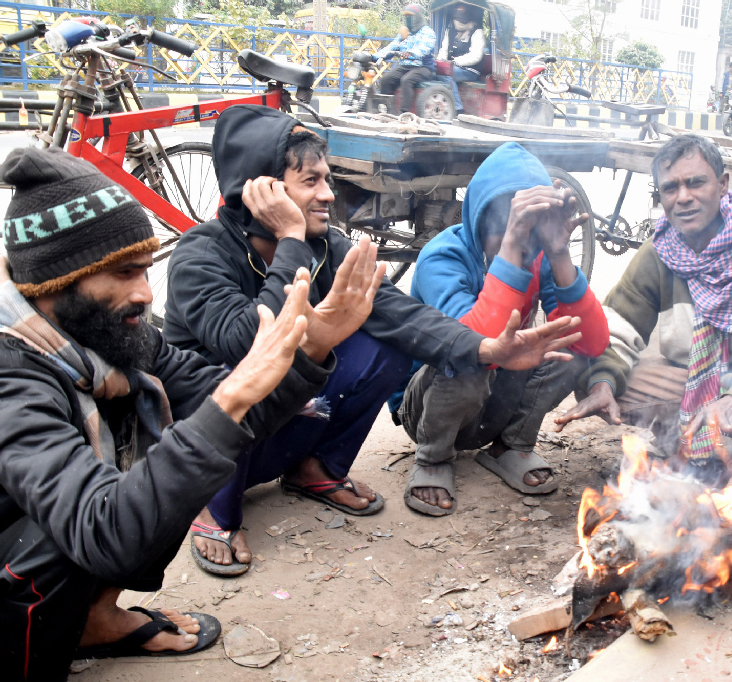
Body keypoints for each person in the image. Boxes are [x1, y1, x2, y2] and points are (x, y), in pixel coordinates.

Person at [0, 147, 367, 678]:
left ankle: (93, 619)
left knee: (179, 452)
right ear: (56, 281)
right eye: (124, 273)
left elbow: (227, 412)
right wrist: (233, 393)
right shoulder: (12, 374)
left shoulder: (110, 334)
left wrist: (309, 352)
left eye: (146, 270)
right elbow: (103, 531)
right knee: (74, 527)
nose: (146, 294)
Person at [164, 105, 582, 572]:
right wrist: (291, 240)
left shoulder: (328, 246)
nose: (328, 193)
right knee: (239, 372)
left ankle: (314, 467)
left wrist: (486, 348)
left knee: (384, 343)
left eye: (327, 178)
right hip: (205, 447)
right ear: (262, 192)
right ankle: (211, 506)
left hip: (279, 420)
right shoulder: (200, 254)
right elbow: (249, 344)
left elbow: (399, 313)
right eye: (311, 182)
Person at [555, 134, 732, 485]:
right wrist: (602, 383)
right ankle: (683, 452)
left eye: (695, 183)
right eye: (670, 188)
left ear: (722, 185)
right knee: (597, 376)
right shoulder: (660, 251)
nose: (683, 197)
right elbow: (617, 325)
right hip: (692, 377)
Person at [395, 142, 609, 516]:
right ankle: (432, 457)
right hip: (428, 404)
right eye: (509, 225)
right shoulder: (443, 256)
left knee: (568, 344)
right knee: (471, 360)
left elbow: (591, 341)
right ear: (479, 217)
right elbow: (471, 345)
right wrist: (510, 243)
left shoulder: (538, 256)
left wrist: (558, 255)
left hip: (494, 390)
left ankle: (510, 445)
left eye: (529, 229)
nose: (522, 240)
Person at [374, 4, 437, 113]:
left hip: (423, 67)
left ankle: (404, 113)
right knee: (385, 79)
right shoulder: (405, 32)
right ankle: (385, 110)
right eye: (406, 16)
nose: (408, 19)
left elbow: (424, 48)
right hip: (405, 66)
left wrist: (411, 53)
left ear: (417, 16)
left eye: (410, 16)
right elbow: (392, 47)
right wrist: (374, 56)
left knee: (407, 80)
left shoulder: (427, 32)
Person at [437, 2, 486, 115]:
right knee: (434, 72)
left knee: (446, 75)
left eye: (462, 12)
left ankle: (458, 109)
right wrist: (440, 62)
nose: (458, 17)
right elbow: (443, 50)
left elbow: (476, 56)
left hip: (470, 70)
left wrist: (455, 62)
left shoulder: (477, 32)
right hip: (450, 67)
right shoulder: (450, 31)